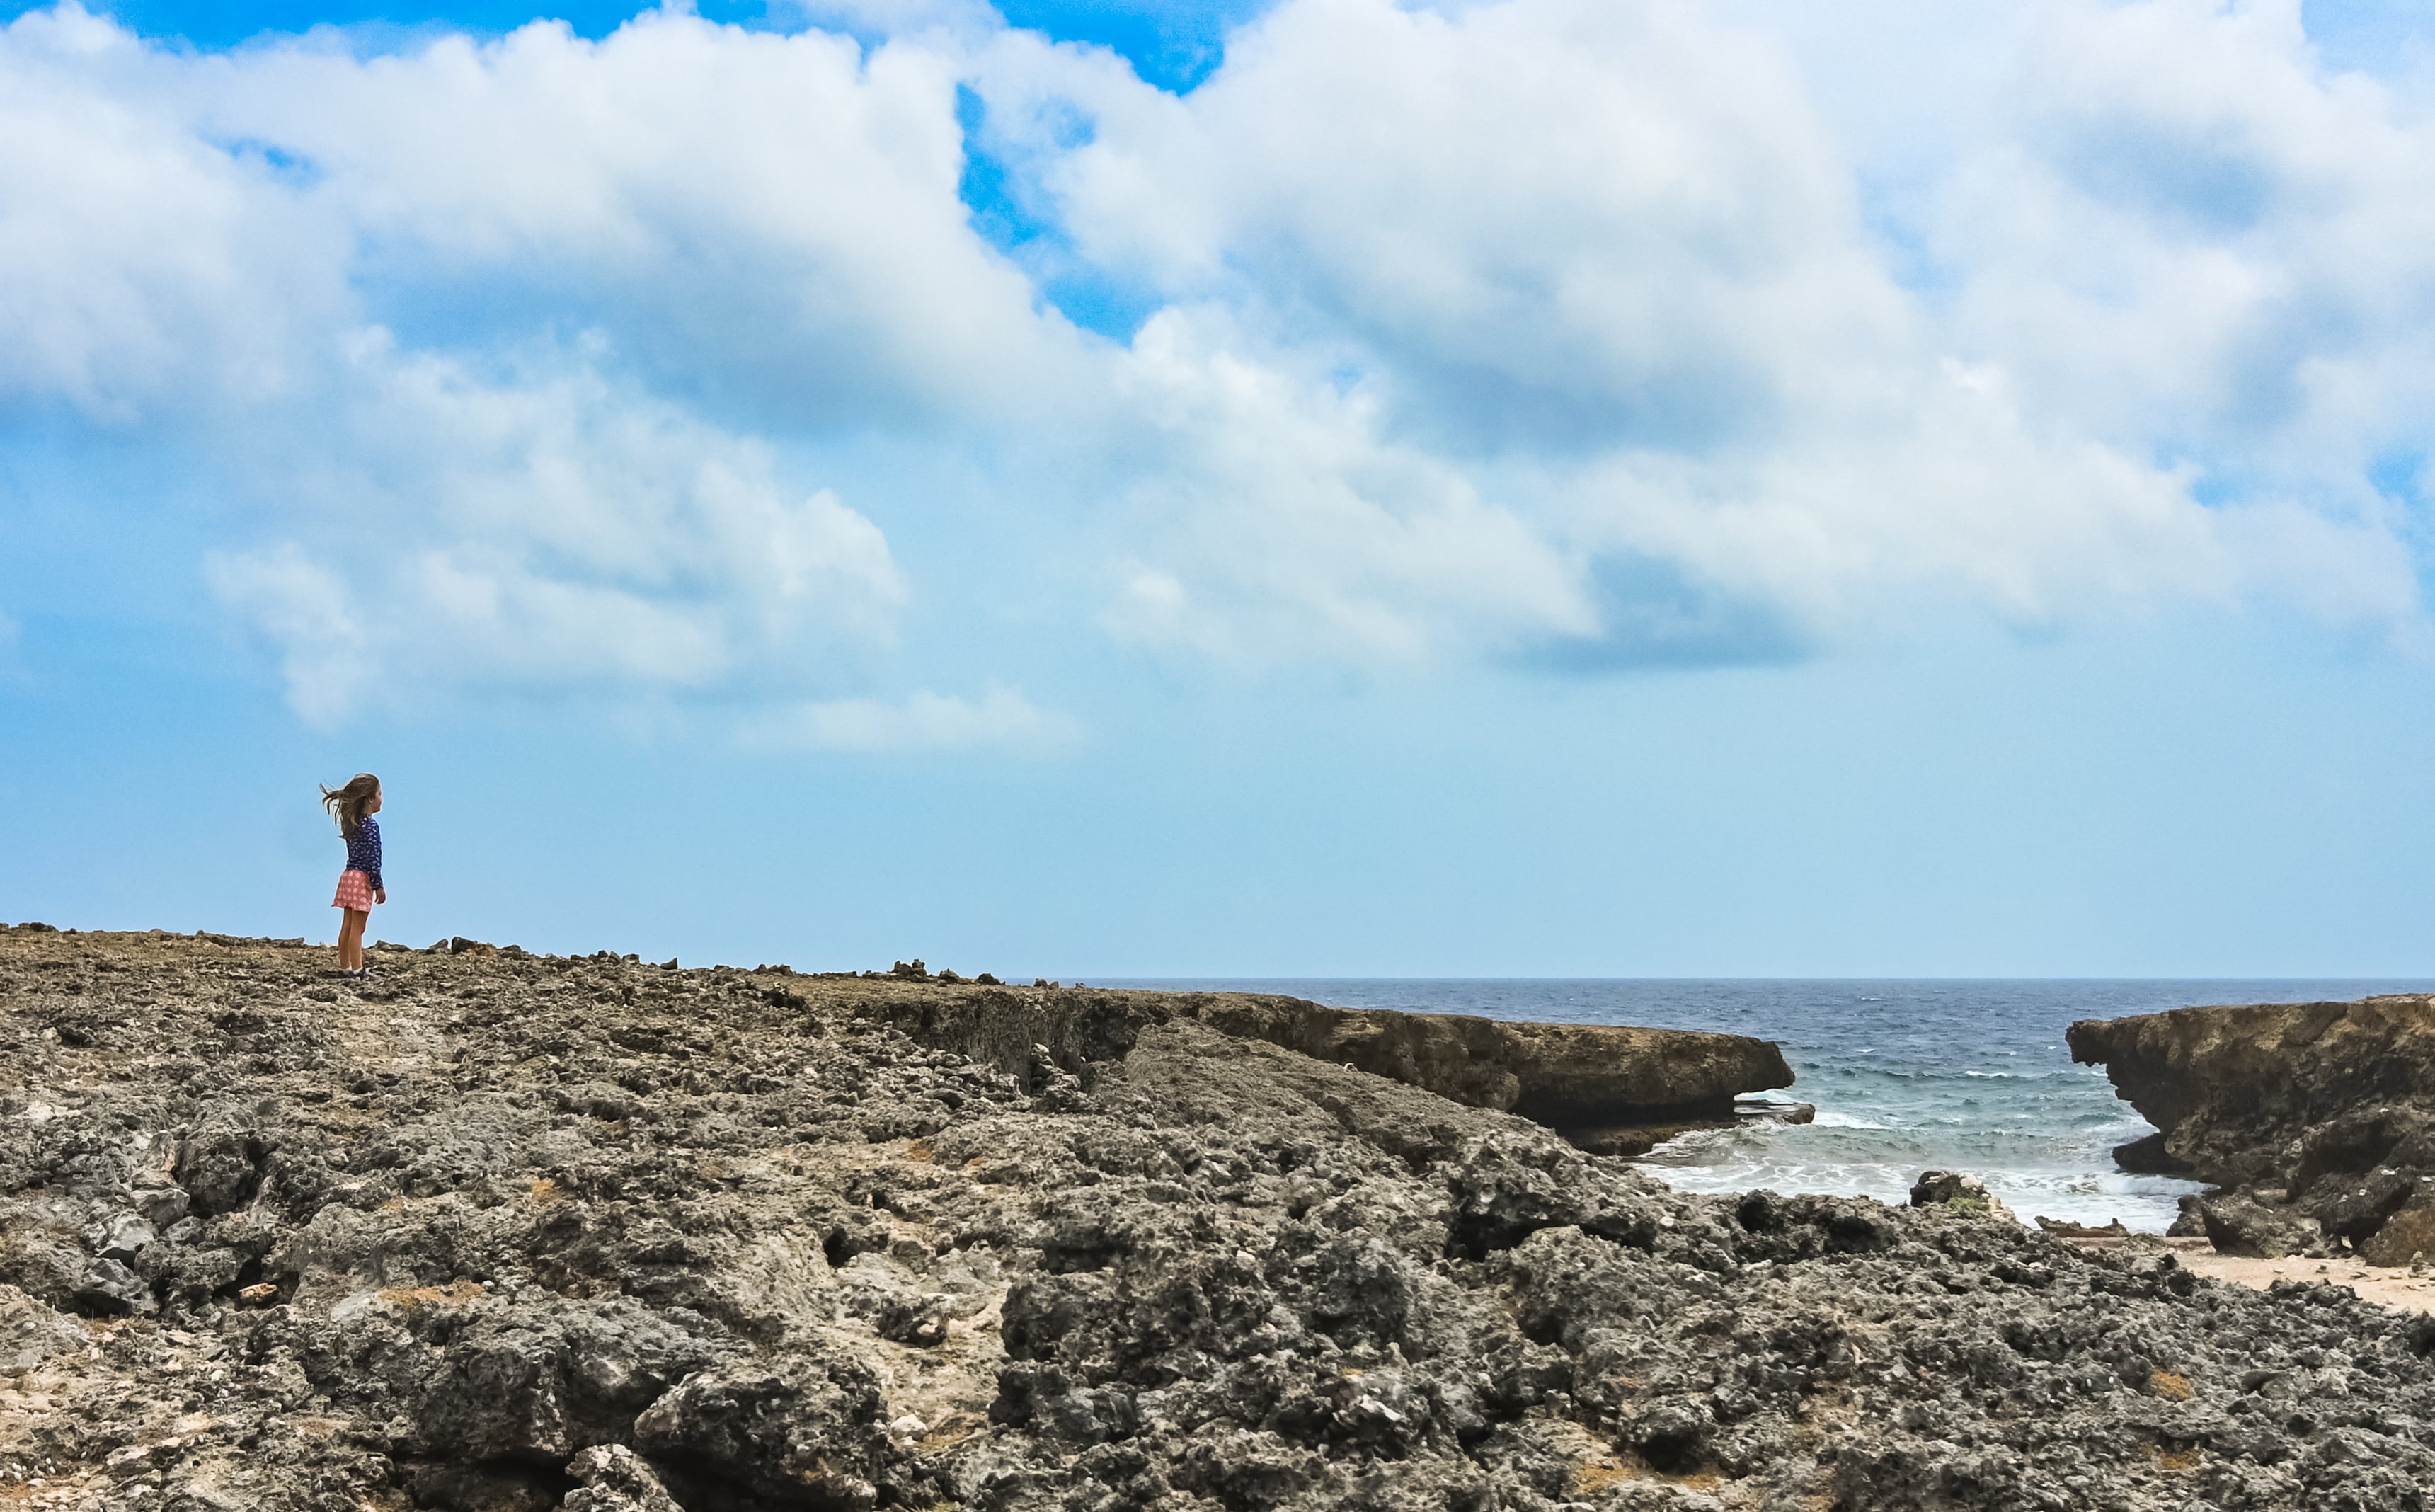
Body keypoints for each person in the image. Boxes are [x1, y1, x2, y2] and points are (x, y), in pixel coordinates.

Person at [320, 773, 386, 978]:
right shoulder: (371, 826)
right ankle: (358, 969)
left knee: (347, 925)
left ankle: (345, 967)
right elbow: (373, 860)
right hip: (362, 879)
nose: (382, 798)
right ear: (370, 799)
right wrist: (378, 886)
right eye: (380, 794)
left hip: (348, 876)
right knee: (358, 928)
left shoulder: (353, 824)